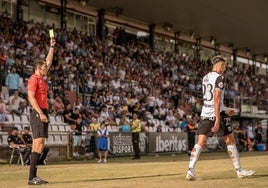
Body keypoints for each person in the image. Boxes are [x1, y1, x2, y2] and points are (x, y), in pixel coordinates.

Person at [185, 55, 254, 181]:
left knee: (200, 142)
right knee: (230, 141)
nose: (224, 68)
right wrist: (218, 117)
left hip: (205, 113)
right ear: (219, 65)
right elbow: (216, 99)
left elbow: (210, 99)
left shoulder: (205, 77)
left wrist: (226, 109)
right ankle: (239, 171)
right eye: (224, 66)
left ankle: (190, 170)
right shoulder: (219, 78)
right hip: (218, 114)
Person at [27, 37, 55, 185]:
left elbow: (49, 61)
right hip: (38, 112)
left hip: (43, 111)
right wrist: (41, 113)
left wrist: (51, 47)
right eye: (44, 67)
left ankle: (34, 176)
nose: (46, 68)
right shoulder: (34, 79)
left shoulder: (41, 77)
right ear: (38, 67)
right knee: (38, 143)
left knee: (40, 144)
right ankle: (31, 177)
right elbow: (30, 97)